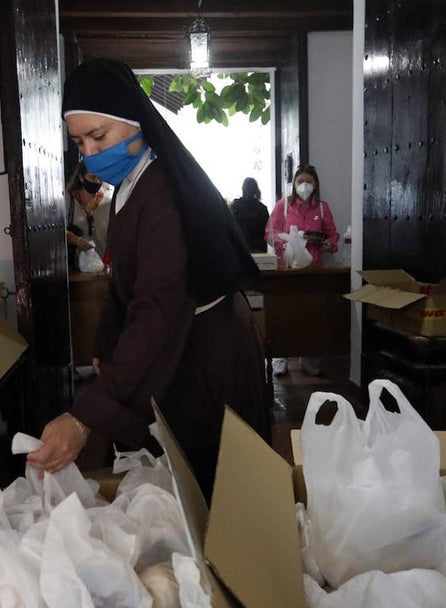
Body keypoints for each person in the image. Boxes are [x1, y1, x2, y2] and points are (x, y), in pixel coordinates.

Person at [27, 58, 270, 501]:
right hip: (185, 343)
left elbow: (155, 310)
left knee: (222, 488)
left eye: (99, 136)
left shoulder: (162, 195)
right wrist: (106, 342)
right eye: (80, 141)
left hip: (209, 357)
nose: (91, 153)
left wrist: (85, 417)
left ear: (136, 122)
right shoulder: (130, 186)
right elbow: (124, 279)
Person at [265, 165, 340, 377]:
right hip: (287, 270)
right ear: (294, 184)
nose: (304, 186)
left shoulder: (322, 208)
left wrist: (328, 244)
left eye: (308, 181)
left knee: (312, 315)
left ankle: (309, 358)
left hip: (313, 270)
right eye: (300, 182)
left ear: (315, 185)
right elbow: (269, 232)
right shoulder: (284, 207)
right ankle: (280, 358)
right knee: (283, 314)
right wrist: (286, 243)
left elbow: (333, 235)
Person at [66, 161, 112, 265]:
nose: (97, 181)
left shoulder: (108, 202)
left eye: (100, 178)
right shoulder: (69, 201)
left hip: (104, 269)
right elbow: (56, 234)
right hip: (77, 270)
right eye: (93, 177)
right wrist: (76, 240)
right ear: (81, 177)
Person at [230, 177, 270, 253]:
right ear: (256, 189)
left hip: (240, 247)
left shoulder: (236, 206)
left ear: (243, 189)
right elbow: (267, 232)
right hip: (259, 248)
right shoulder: (262, 208)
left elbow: (231, 228)